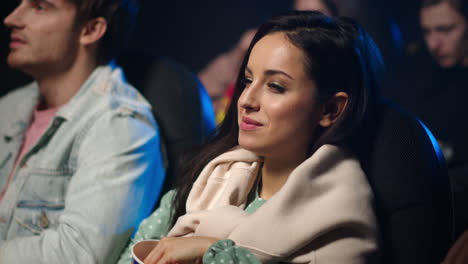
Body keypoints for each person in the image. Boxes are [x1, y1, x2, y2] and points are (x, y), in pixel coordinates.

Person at [118, 10, 383, 264]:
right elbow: (136, 250)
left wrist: (212, 250)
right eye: (247, 80)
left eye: (275, 87)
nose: (246, 100)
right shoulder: (214, 172)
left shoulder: (341, 218)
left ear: (330, 109)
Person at [0, 0, 165, 263]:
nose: (12, 18)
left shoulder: (122, 125)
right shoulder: (10, 106)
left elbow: (77, 254)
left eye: (39, 6)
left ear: (91, 30)